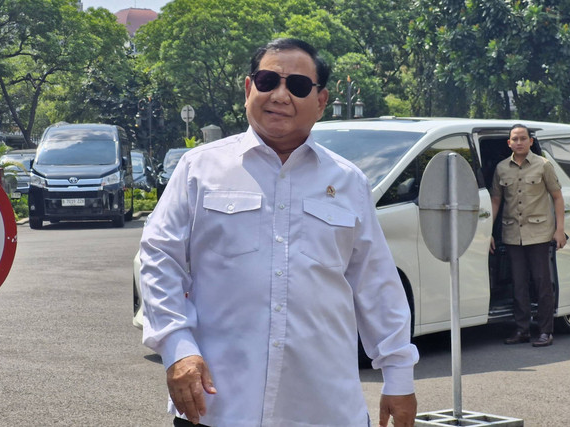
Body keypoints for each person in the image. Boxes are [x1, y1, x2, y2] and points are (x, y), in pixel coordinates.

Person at [140, 38, 419, 427]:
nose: (280, 95)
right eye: (268, 80)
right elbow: (159, 258)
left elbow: (376, 283)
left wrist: (398, 375)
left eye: (299, 86)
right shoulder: (199, 170)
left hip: (323, 408)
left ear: (321, 101)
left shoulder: (348, 182)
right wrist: (177, 347)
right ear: (248, 88)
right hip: (216, 408)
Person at [490, 124, 567, 348]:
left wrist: (559, 229)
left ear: (531, 141)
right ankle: (522, 329)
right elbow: (495, 200)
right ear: (509, 143)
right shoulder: (501, 168)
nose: (519, 142)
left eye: (523, 138)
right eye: (515, 139)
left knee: (542, 283)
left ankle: (545, 331)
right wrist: (488, 232)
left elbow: (557, 197)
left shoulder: (543, 165)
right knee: (518, 283)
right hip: (512, 233)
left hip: (540, 234)